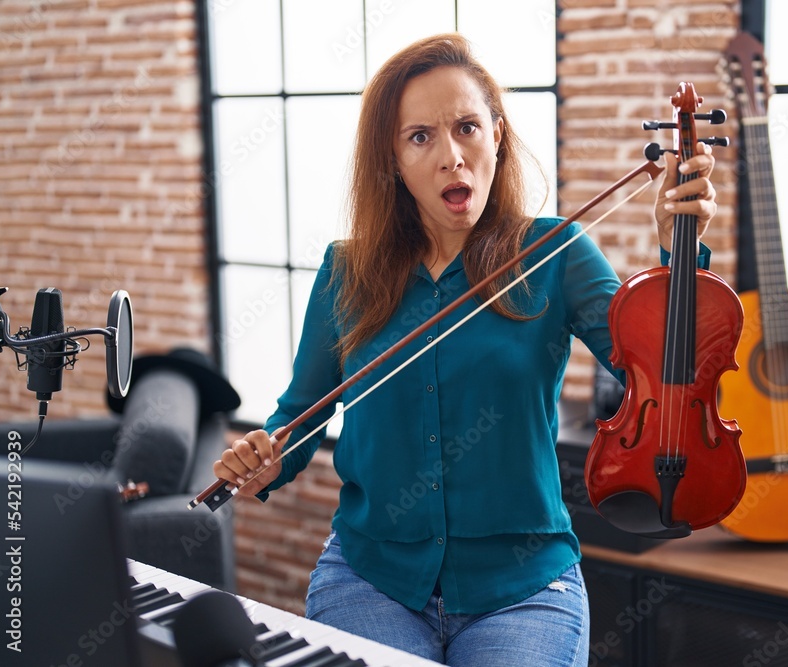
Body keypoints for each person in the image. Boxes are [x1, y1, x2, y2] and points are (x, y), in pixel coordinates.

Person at [214, 33, 718, 667]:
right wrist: (268, 458)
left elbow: (666, 376)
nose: (452, 156)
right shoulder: (346, 270)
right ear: (393, 160)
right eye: (420, 137)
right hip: (373, 579)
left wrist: (680, 250)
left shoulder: (557, 252)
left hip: (524, 586)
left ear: (497, 135)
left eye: (467, 128)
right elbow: (303, 412)